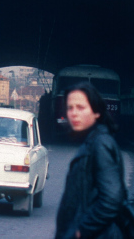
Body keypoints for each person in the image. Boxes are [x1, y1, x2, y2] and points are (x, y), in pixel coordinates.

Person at [55, 81, 126, 239]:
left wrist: (82, 231)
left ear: (97, 112)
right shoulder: (92, 141)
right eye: (70, 108)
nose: (73, 113)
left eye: (80, 108)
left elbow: (112, 199)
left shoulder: (100, 144)